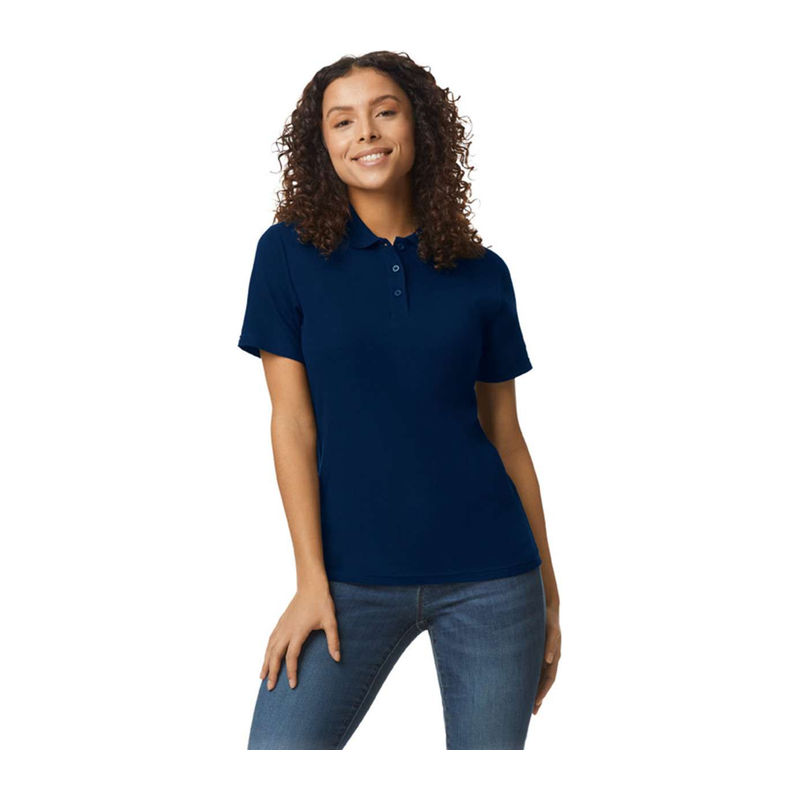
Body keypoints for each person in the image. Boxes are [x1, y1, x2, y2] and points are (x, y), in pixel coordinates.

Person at [238, 51, 561, 750]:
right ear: (322, 144)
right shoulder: (287, 255)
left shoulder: (482, 272)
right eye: (342, 121)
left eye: (384, 112)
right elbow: (292, 423)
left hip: (495, 580)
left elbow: (506, 437)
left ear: (419, 127)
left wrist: (551, 597)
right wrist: (310, 580)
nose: (366, 132)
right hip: (346, 581)